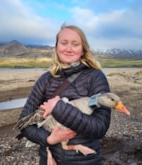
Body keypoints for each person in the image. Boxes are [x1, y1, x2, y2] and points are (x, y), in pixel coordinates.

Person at [17, 24, 111, 165]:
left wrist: (58, 107)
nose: (68, 48)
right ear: (56, 47)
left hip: (85, 162)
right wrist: (49, 139)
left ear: (83, 49)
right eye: (64, 43)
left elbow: (100, 128)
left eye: (75, 44)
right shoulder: (45, 80)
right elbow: (24, 124)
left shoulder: (95, 77)